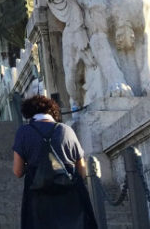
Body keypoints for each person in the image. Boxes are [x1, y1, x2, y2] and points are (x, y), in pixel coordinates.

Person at [12, 95, 98, 229]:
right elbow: (81, 169)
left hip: (38, 197)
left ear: (29, 113)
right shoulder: (66, 130)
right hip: (69, 195)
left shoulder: (24, 132)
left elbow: (17, 171)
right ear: (53, 112)